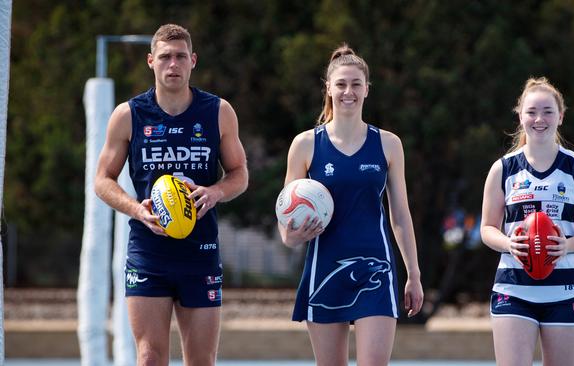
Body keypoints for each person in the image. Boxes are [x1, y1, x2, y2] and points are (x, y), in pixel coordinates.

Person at [94, 24, 248, 365]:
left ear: (193, 61)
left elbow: (240, 174)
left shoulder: (217, 112)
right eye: (165, 57)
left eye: (180, 56)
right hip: (149, 252)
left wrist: (215, 192)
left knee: (201, 360)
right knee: (149, 357)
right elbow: (102, 179)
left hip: (200, 251)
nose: (173, 64)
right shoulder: (129, 115)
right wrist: (136, 210)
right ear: (151, 61)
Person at [278, 44, 424, 366]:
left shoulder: (388, 144)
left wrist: (413, 273)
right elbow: (285, 218)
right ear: (328, 88)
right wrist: (292, 236)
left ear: (367, 90)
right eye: (341, 84)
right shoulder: (305, 145)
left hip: (377, 266)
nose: (348, 91)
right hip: (325, 268)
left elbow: (400, 214)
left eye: (356, 84)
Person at [480, 77, 574, 366]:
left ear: (560, 117)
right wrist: (509, 243)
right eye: (532, 111)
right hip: (513, 288)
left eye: (548, 111)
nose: (540, 119)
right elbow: (487, 228)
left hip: (565, 290)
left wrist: (568, 245)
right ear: (520, 115)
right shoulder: (503, 169)